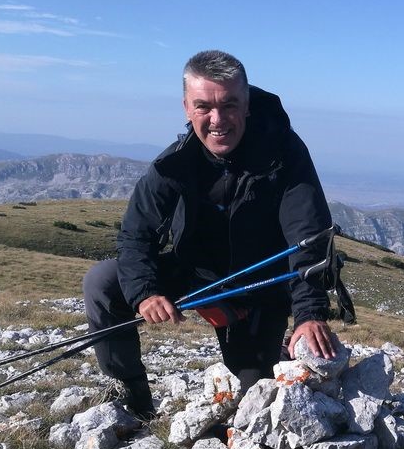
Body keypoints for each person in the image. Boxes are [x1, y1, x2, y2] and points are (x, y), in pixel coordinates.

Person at [83, 50, 339, 418]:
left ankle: (274, 353)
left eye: (229, 105)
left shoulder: (284, 155)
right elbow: (136, 234)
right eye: (203, 106)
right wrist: (145, 292)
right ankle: (133, 402)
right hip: (196, 276)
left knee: (252, 405)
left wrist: (309, 314)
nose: (217, 120)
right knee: (103, 282)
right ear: (187, 108)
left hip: (258, 292)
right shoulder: (176, 162)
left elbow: (309, 237)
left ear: (246, 105)